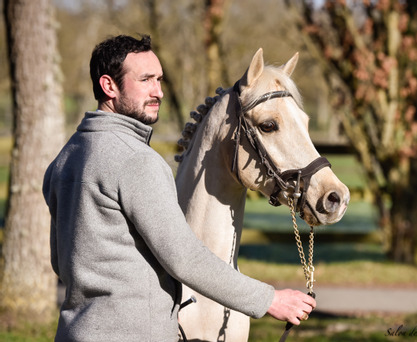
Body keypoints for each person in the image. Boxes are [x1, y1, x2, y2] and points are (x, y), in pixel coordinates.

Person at [42, 34, 315, 342]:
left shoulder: (64, 159)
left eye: (159, 79)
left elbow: (60, 261)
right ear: (109, 86)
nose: (157, 91)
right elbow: (183, 258)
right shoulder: (137, 160)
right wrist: (270, 300)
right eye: (145, 80)